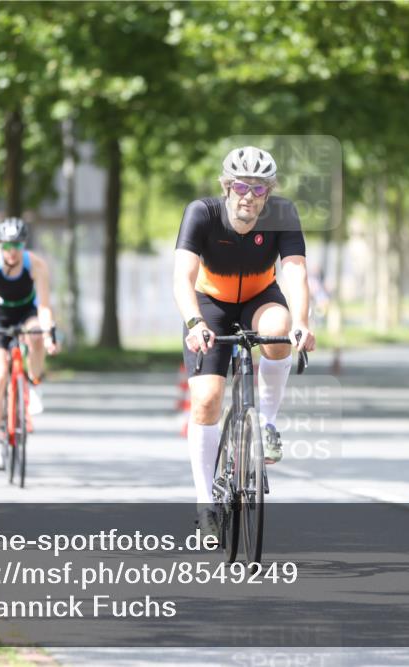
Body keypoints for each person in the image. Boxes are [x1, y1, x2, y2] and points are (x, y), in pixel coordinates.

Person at [173, 146, 316, 534]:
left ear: (269, 193)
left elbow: (296, 272)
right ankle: (205, 503)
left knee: (280, 328)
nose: (248, 196)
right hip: (209, 303)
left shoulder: (282, 215)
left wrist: (301, 322)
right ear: (227, 186)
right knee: (206, 400)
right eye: (240, 186)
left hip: (259, 297)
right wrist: (193, 322)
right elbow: (182, 275)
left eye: (258, 190)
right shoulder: (201, 213)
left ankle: (266, 424)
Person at [0, 217, 59, 470]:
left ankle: (34, 384)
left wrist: (47, 335)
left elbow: (43, 306)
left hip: (26, 312)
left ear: (24, 246)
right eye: (7, 246)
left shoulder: (36, 265)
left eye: (17, 246)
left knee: (35, 335)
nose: (12, 252)